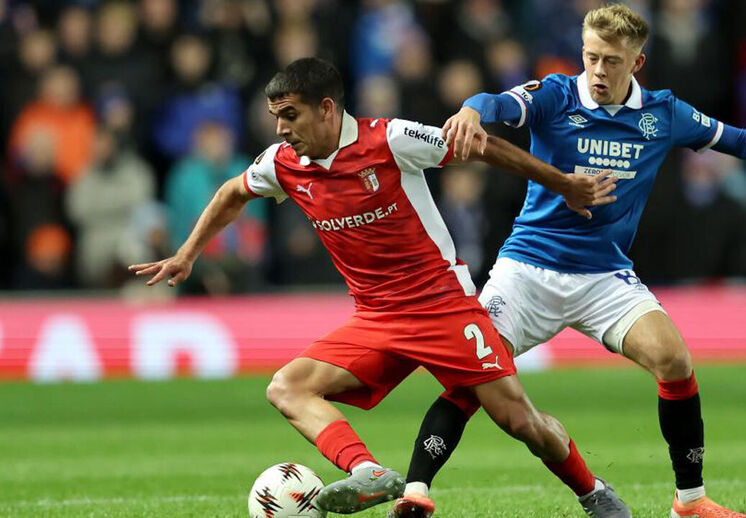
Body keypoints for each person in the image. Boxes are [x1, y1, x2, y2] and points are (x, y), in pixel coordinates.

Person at [392, 5, 746, 518]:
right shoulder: (555, 95)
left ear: (636, 63)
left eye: (611, 61)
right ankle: (416, 490)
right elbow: (496, 103)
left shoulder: (661, 114)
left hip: (603, 275)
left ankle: (690, 501)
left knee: (675, 360)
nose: (598, 70)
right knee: (473, 375)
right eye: (591, 57)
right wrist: (469, 110)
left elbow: (739, 139)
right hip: (528, 269)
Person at [130, 57, 628, 517]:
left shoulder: (390, 140)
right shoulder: (283, 163)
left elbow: (481, 147)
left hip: (443, 308)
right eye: (275, 116)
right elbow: (233, 192)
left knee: (522, 423)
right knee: (286, 387)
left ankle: (592, 490)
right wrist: (187, 253)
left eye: (290, 115)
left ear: (327, 109)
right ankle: (366, 471)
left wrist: (561, 183)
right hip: (376, 319)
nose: (280, 128)